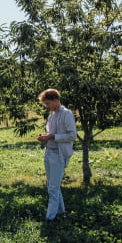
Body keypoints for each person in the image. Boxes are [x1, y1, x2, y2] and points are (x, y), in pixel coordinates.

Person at [36, 89, 77, 222]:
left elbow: (72, 135)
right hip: (49, 152)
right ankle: (60, 211)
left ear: (55, 100)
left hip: (59, 154)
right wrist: (46, 137)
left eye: (48, 103)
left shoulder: (66, 114)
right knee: (52, 185)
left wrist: (53, 136)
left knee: (53, 187)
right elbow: (51, 133)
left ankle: (50, 217)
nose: (46, 106)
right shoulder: (52, 115)